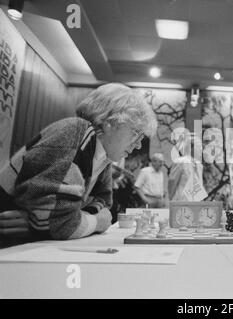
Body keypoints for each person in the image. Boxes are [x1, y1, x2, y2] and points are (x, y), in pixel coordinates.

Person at [0, 83, 157, 246]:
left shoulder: (103, 158)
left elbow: (104, 204)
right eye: (135, 133)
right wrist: (95, 221)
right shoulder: (74, 133)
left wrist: (52, 222)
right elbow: (60, 223)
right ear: (110, 122)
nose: (138, 145)